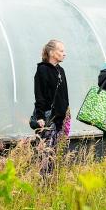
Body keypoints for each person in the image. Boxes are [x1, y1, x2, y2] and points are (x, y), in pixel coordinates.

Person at [33, 40, 70, 173]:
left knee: (57, 153)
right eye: (61, 51)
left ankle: (52, 181)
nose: (64, 54)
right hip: (48, 118)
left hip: (61, 118)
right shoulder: (43, 70)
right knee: (46, 153)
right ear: (51, 52)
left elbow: (64, 95)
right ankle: (43, 182)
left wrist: (67, 114)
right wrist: (41, 116)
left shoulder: (61, 70)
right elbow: (40, 95)